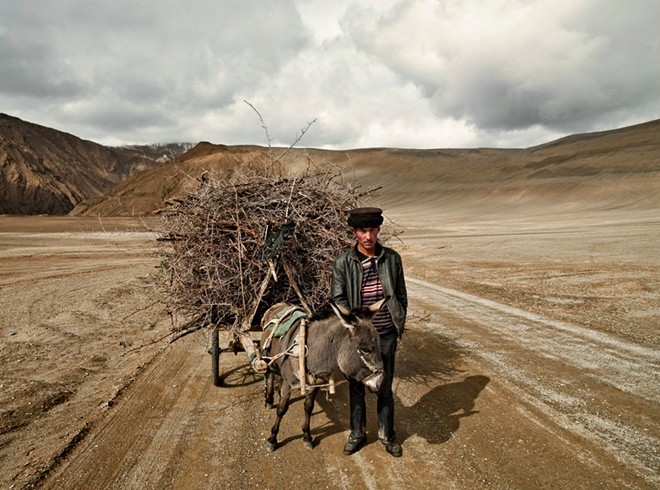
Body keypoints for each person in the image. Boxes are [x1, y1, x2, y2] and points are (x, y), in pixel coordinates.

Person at [331, 207, 407, 458]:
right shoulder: (343, 262)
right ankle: (357, 434)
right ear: (354, 232)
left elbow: (400, 295)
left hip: (385, 334)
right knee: (356, 386)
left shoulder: (392, 259)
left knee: (384, 386)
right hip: (358, 337)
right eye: (362, 231)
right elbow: (338, 298)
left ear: (378, 230)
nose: (368, 236)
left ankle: (387, 436)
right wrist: (355, 326)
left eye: (372, 230)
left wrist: (399, 320)